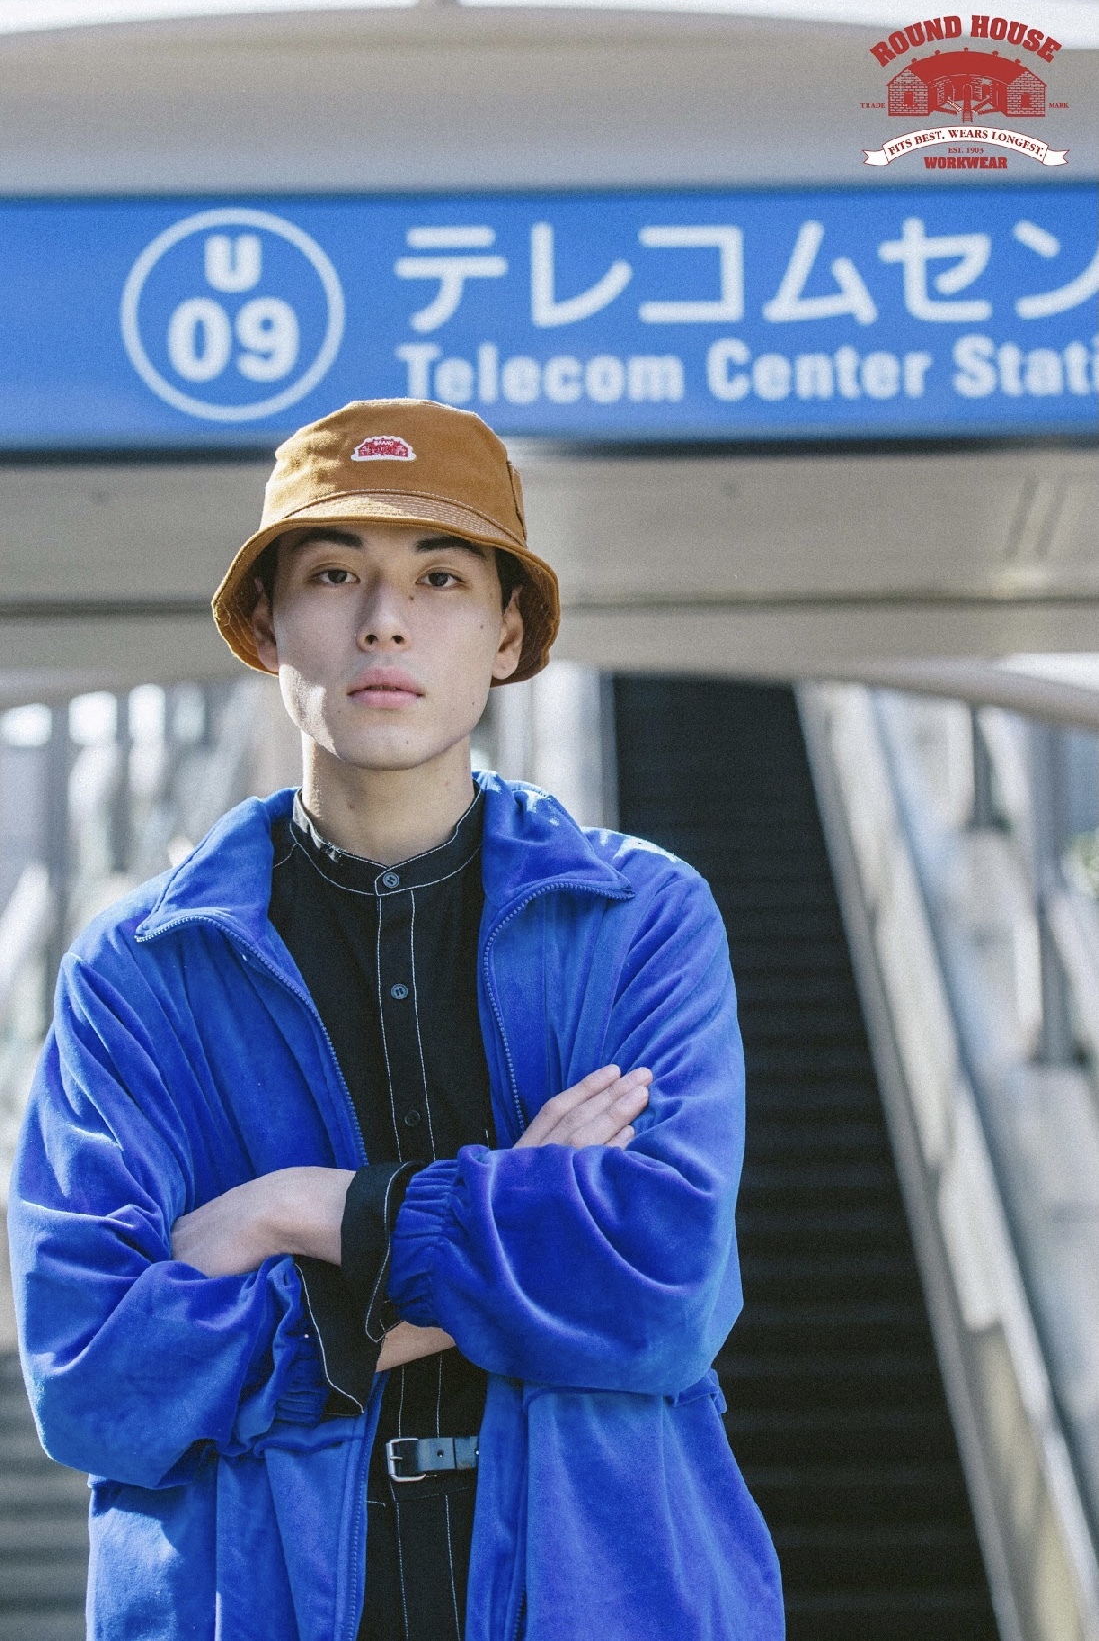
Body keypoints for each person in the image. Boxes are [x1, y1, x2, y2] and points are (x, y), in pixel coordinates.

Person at [9, 399, 783, 1641]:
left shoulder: (637, 918)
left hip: (605, 1594)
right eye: (333, 573)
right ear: (265, 621)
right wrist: (516, 1219)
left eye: (439, 575)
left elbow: (661, 1289)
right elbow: (94, 1373)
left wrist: (297, 1208)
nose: (384, 618)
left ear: (507, 629)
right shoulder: (139, 972)